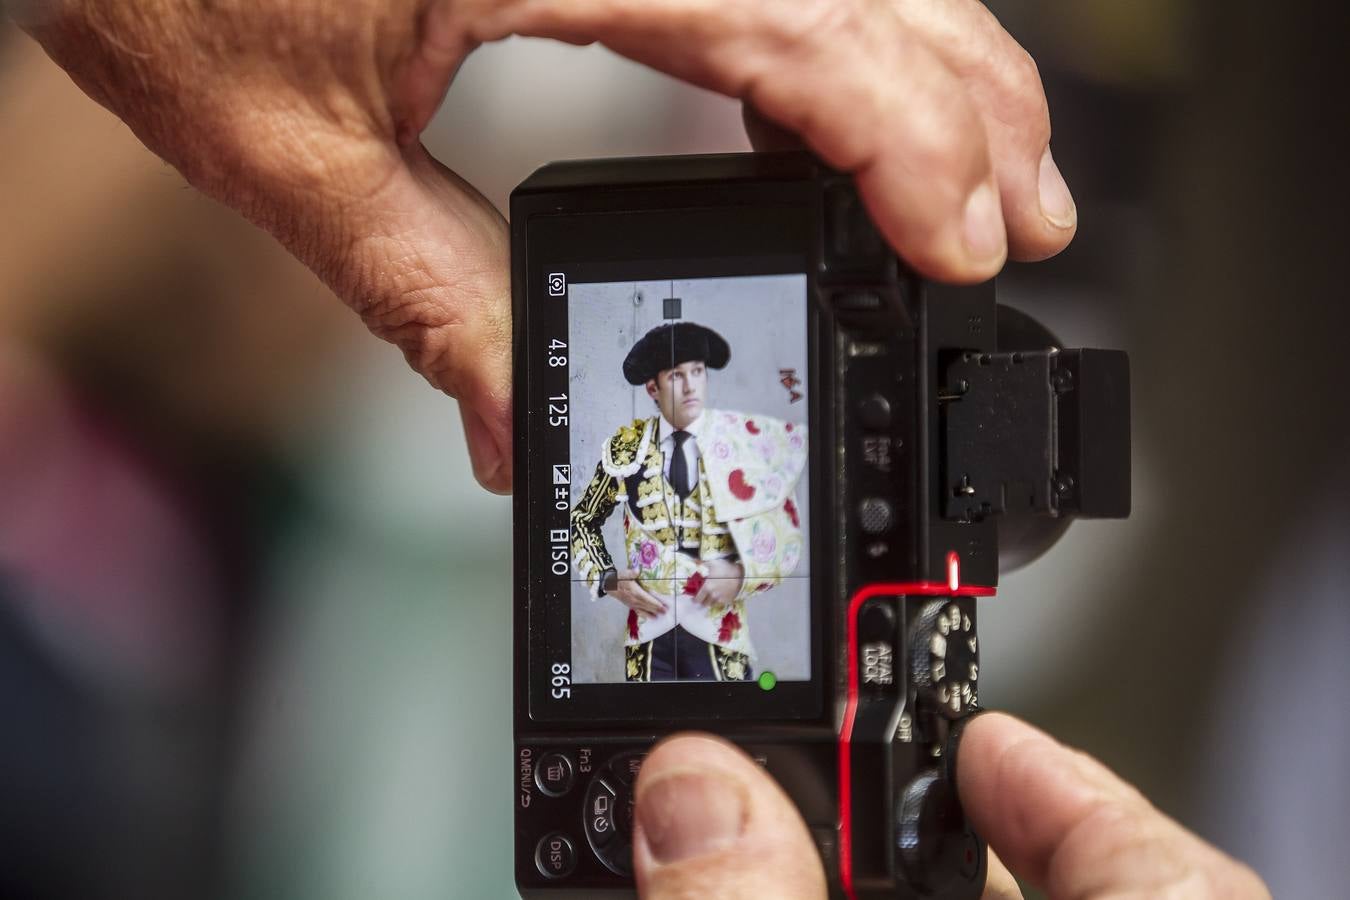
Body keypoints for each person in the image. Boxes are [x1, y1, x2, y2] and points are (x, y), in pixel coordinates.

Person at [8, 0, 1269, 895]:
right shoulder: (609, 459)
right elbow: (592, 526)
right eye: (661, 374)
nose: (671, 388)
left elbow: (769, 544)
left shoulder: (756, 451)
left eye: (684, 374)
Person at [571, 321, 806, 682]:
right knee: (648, 734)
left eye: (698, 372)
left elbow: (786, 530)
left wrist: (742, 575)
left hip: (719, 630)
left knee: (726, 732)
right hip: (649, 633)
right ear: (653, 387)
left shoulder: (740, 441)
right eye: (677, 375)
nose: (692, 385)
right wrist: (608, 579)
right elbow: (582, 520)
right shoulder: (628, 448)